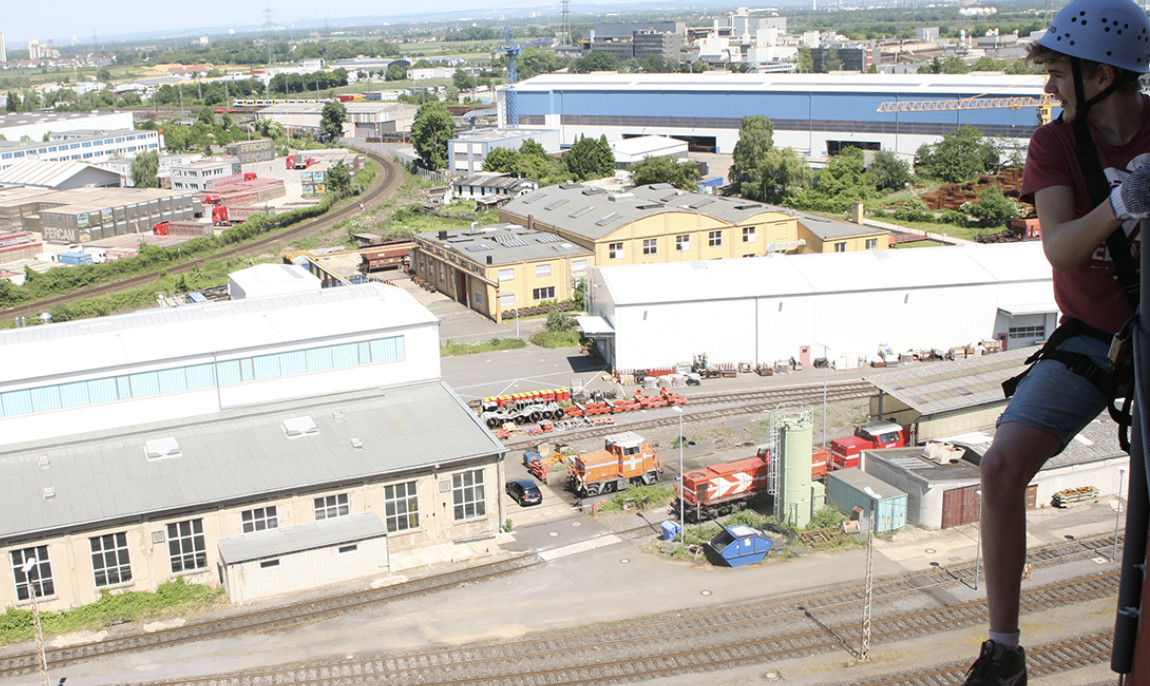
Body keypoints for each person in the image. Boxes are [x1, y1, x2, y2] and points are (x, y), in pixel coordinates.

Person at [963, 0, 1150, 684]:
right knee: (1002, 465)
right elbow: (1066, 251)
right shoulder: (1056, 147)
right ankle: (1005, 648)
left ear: (1101, 74)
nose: (1050, 89)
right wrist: (1123, 204)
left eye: (1059, 76)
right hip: (1093, 338)